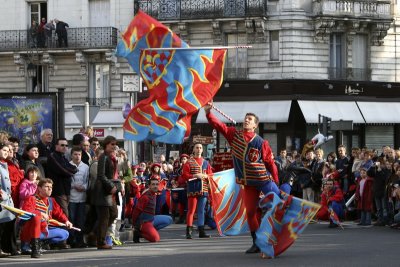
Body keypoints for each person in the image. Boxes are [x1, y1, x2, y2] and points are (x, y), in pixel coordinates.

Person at [205, 103, 280, 253]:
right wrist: (208, 112)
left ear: (255, 125)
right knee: (251, 213)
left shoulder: (261, 142)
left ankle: (279, 232)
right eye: (246, 118)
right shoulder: (234, 135)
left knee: (278, 204)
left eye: (250, 119)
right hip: (248, 183)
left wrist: (276, 181)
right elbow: (219, 125)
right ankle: (257, 243)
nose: (246, 120)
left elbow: (270, 164)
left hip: (264, 181)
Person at [21, 178, 73, 258]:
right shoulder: (31, 198)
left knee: (65, 234)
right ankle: (33, 247)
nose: (50, 189)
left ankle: (40, 244)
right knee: (36, 218)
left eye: (51, 187)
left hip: (44, 229)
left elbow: (59, 213)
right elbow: (26, 212)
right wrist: (40, 213)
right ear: (39, 188)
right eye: (46, 186)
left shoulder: (51, 200)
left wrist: (66, 221)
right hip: (30, 230)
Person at [91, 136, 122, 249]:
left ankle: (95, 233)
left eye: (115, 144)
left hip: (110, 191)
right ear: (106, 145)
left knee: (113, 214)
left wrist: (118, 185)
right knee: (104, 217)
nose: (114, 146)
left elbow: (114, 175)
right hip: (103, 191)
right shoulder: (103, 157)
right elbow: (101, 175)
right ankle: (101, 241)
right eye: (112, 144)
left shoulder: (112, 157)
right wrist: (111, 186)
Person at [181, 143, 212, 239]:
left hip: (204, 189)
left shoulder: (206, 162)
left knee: (201, 210)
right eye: (197, 148)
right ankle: (189, 231)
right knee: (191, 210)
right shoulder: (189, 162)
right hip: (193, 188)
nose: (199, 149)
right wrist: (195, 176)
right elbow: (184, 175)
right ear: (193, 150)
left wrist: (207, 176)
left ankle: (201, 231)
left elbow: (211, 174)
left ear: (202, 150)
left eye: (200, 148)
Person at [132, 177, 173, 243]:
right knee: (155, 239)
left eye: (157, 184)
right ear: (149, 186)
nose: (155, 186)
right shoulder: (145, 197)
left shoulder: (154, 194)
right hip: (144, 222)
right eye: (153, 184)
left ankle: (150, 231)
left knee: (169, 219)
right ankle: (139, 234)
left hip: (152, 219)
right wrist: (134, 225)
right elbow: (136, 211)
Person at [47, 138, 78, 218]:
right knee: (63, 216)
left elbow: (74, 168)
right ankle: (62, 230)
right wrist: (70, 172)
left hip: (66, 191)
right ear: (56, 146)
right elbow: (63, 170)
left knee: (65, 215)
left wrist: (70, 170)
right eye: (62, 145)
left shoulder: (63, 157)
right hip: (58, 191)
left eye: (66, 145)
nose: (65, 147)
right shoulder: (53, 156)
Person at [68, 147, 89, 248]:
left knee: (81, 220)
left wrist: (84, 187)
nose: (77, 156)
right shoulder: (68, 165)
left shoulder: (85, 167)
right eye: (75, 154)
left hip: (82, 197)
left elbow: (88, 181)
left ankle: (80, 240)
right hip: (71, 197)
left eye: (79, 154)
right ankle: (72, 240)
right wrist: (74, 186)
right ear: (72, 155)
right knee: (71, 219)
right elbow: (67, 180)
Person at [0, 143, 18, 257]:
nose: (7, 152)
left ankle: (7, 248)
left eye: (8, 151)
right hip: (2, 199)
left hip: (7, 199)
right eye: (4, 150)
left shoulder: (4, 164)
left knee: (8, 225)